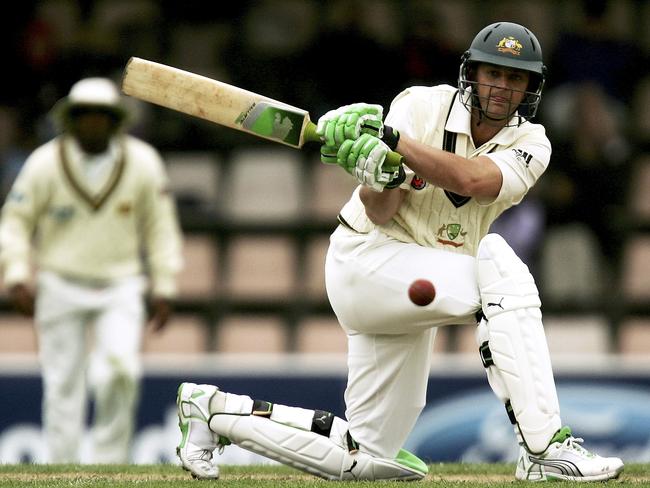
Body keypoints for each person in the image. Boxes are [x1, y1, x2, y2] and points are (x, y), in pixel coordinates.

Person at [174, 22, 624, 482]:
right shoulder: (420, 105)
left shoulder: (532, 143)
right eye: (493, 73)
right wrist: (378, 173)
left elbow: (473, 181)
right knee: (502, 270)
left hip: (417, 278)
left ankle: (211, 412)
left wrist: (394, 144)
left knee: (366, 457)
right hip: (368, 261)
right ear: (472, 74)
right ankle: (544, 447)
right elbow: (380, 210)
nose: (501, 88)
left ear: (531, 87)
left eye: (515, 79)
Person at [0, 77, 183, 463]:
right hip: (58, 281)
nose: (92, 125)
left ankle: (109, 466)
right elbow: (15, 221)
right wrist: (17, 274)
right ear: (70, 119)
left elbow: (161, 227)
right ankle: (62, 468)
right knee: (62, 383)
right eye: (84, 116)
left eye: (101, 116)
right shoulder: (45, 162)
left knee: (120, 372)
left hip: (121, 283)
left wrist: (164, 285)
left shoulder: (143, 162)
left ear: (115, 120)